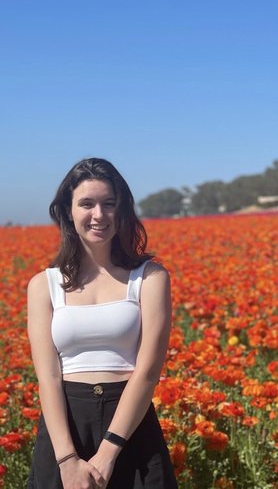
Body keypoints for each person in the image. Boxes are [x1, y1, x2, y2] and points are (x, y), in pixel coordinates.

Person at [27, 158, 178, 489]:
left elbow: (148, 371)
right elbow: (48, 377)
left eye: (109, 204)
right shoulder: (44, 285)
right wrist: (67, 461)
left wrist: (108, 452)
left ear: (122, 210)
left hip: (130, 428)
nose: (99, 215)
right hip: (65, 431)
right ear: (68, 211)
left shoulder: (150, 278)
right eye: (87, 204)